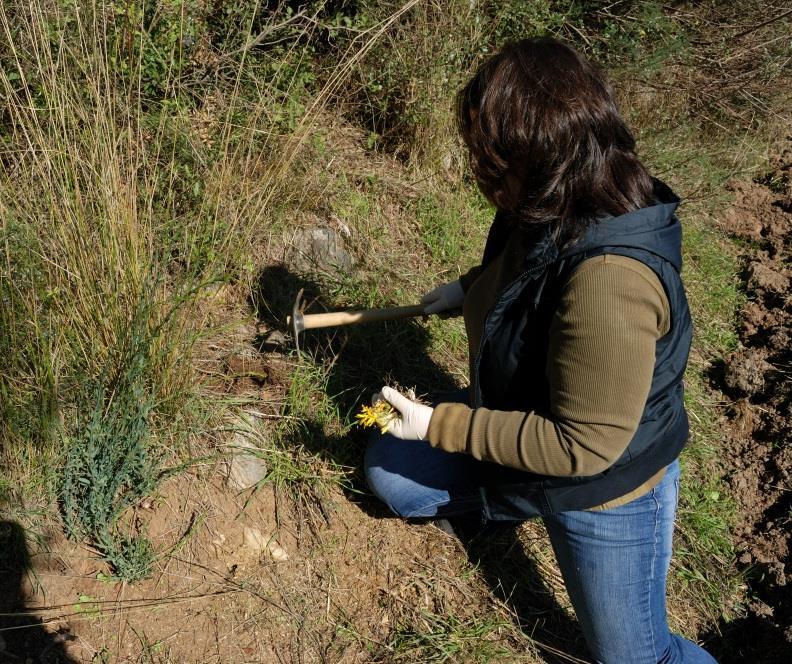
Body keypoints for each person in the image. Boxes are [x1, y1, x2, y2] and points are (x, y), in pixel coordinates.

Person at [364, 38, 718, 664]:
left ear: (540, 152)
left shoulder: (613, 278)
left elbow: (584, 445)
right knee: (393, 474)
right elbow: (528, 276)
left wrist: (437, 424)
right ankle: (512, 499)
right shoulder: (555, 195)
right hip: (529, 422)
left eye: (488, 155)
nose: (477, 168)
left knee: (636, 659)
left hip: (602, 485)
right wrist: (469, 289)